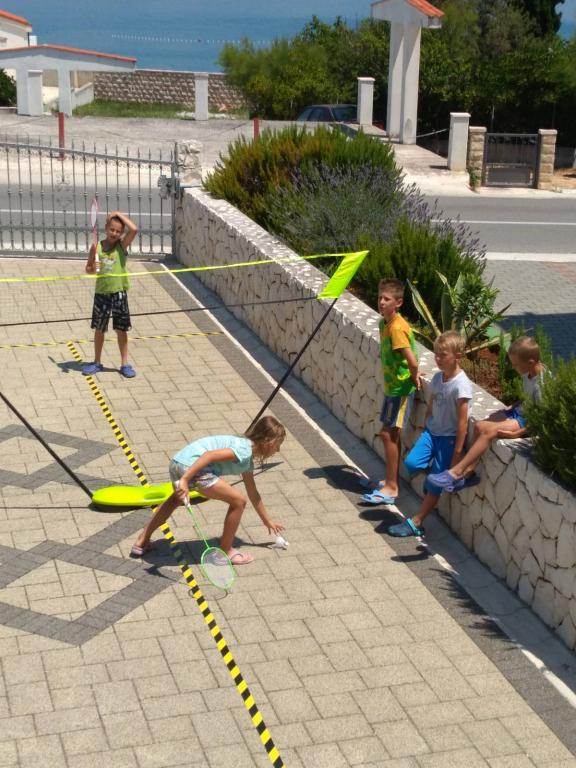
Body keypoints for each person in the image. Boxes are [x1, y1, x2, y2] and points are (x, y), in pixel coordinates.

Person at [130, 416, 286, 565]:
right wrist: (185, 479)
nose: (278, 450)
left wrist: (267, 520)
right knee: (238, 501)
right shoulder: (244, 450)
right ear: (268, 441)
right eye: (277, 444)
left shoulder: (246, 456)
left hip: (178, 462)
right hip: (192, 467)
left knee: (174, 500)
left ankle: (142, 539)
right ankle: (226, 551)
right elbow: (209, 456)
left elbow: (253, 492)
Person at [428, 335, 545, 493]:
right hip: (519, 411)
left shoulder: (543, 385)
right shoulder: (529, 371)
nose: (513, 367)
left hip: (526, 420)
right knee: (478, 425)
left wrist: (517, 433)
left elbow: (542, 418)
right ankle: (469, 472)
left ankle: (455, 472)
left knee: (489, 432)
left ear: (530, 362)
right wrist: (516, 404)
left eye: (516, 365)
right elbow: (529, 395)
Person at [388, 331, 473, 537]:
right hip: (431, 433)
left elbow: (462, 422)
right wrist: (427, 423)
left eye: (443, 355)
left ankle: (417, 522)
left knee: (436, 483)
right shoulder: (437, 378)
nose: (438, 358)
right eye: (436, 354)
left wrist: (457, 452)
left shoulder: (461, 385)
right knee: (411, 463)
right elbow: (432, 403)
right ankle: (432, 478)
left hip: (448, 439)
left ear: (458, 356)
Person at [361, 278, 420, 505]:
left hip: (400, 389)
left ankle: (392, 487)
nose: (381, 302)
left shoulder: (396, 328)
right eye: (380, 298)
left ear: (399, 302)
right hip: (391, 388)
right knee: (390, 434)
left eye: (387, 299)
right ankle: (389, 481)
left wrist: (415, 375)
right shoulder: (383, 324)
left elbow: (411, 360)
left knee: (388, 435)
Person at [82, 210, 138, 378]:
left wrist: (117, 214)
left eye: (118, 231)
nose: (114, 233)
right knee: (99, 329)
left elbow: (134, 229)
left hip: (119, 293)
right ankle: (97, 362)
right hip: (102, 294)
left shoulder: (122, 246)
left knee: (121, 330)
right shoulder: (96, 247)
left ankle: (124, 364)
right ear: (106, 228)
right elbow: (88, 269)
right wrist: (93, 268)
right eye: (112, 229)